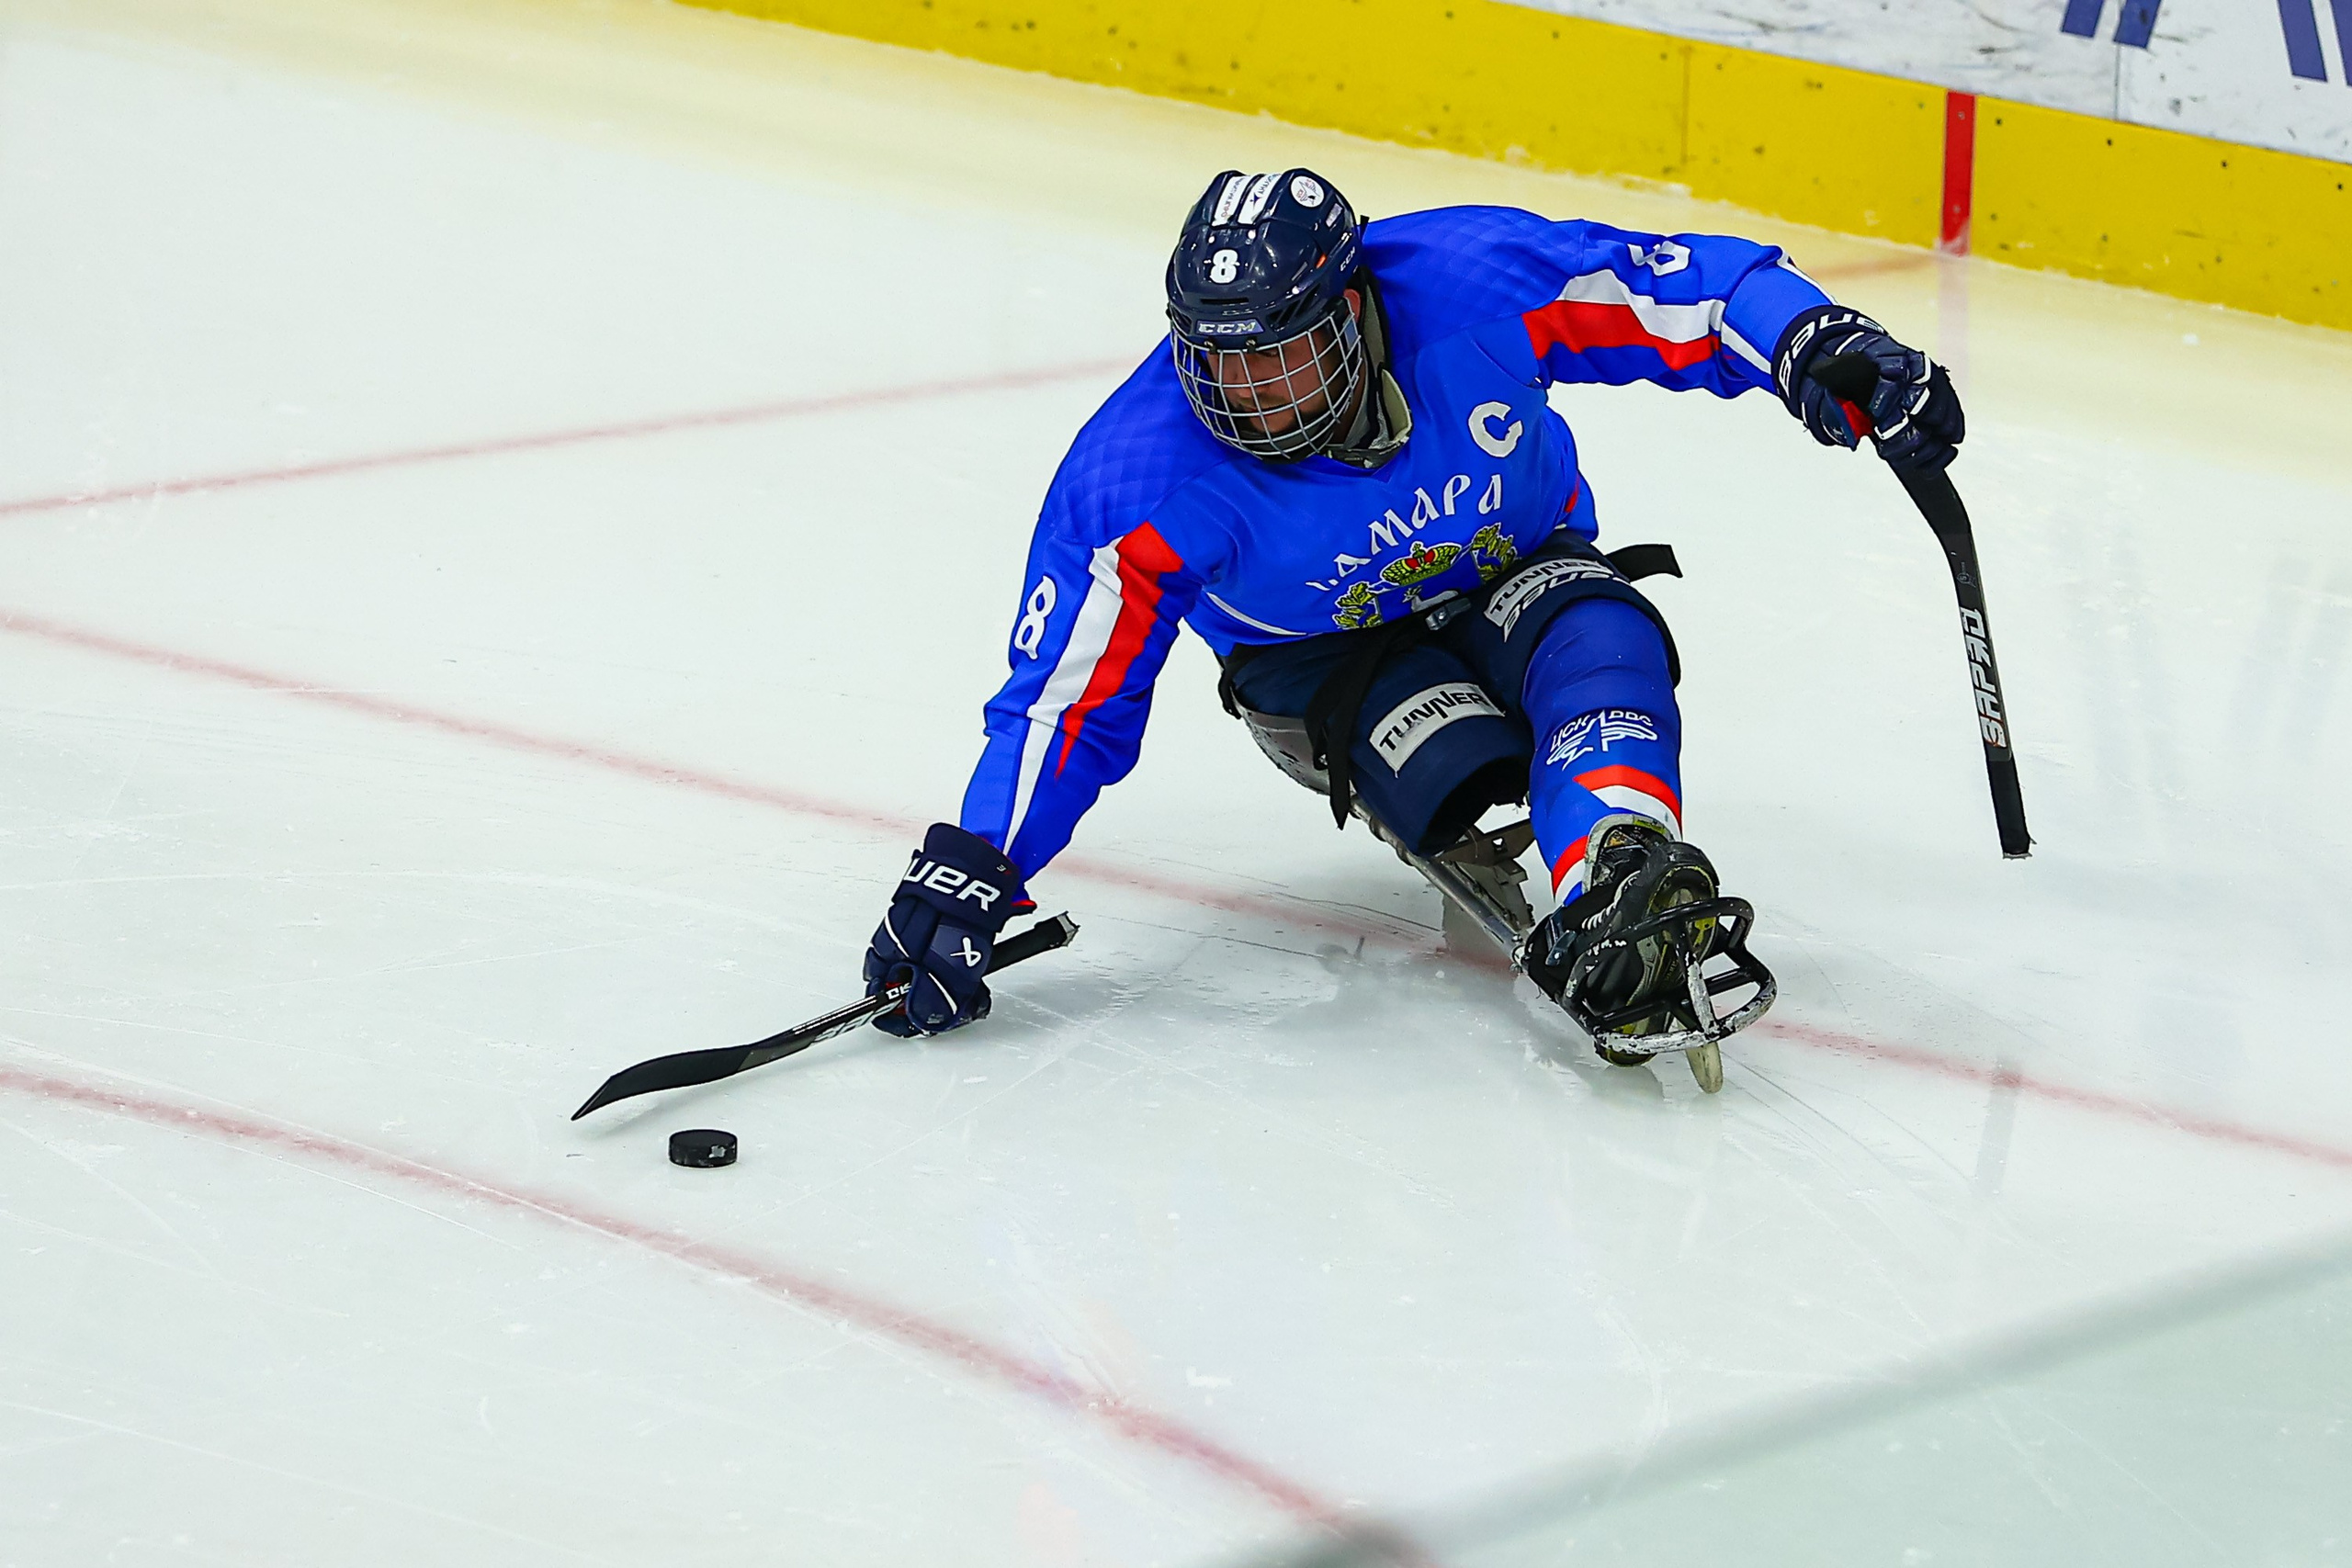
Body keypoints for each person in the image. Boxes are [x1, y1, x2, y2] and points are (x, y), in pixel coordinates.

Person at [862, 168, 1962, 1064]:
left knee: (1605, 643)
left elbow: (1685, 288)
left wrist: (1813, 339)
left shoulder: (1469, 281)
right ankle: (1486, 778)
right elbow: (1065, 707)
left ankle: (1617, 862)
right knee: (1459, 764)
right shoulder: (1136, 481)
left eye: (1282, 358)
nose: (1255, 399)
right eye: (1222, 367)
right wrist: (975, 866)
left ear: (1353, 308)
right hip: (1322, 657)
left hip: (1516, 565)